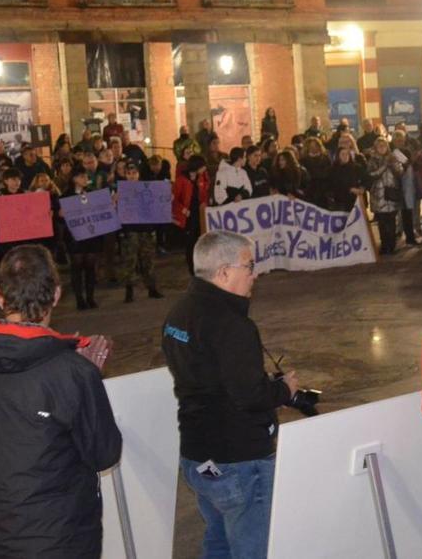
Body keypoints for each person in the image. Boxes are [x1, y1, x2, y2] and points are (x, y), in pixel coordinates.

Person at [0, 245, 120, 558]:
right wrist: (87, 381)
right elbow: (104, 453)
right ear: (56, 294)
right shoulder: (72, 371)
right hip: (61, 534)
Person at [163, 231, 303, 559]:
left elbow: (208, 373)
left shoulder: (177, 314)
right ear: (224, 272)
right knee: (253, 547)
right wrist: (283, 389)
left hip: (197, 454)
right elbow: (249, 396)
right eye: (249, 265)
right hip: (238, 460)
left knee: (218, 540)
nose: (255, 274)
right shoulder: (232, 325)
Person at [116, 162, 164, 302]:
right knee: (130, 261)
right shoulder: (120, 190)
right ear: (125, 175)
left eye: (134, 173)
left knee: (148, 260)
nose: (132, 176)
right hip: (130, 231)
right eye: (129, 173)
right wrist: (115, 201)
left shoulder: (147, 188)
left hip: (146, 229)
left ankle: (152, 288)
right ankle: (129, 290)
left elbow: (158, 203)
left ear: (138, 174)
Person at [60, 166, 104, 310]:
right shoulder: (66, 195)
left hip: (91, 235)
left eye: (86, 177)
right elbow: (59, 215)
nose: (86, 179)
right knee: (77, 266)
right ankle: (80, 298)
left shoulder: (92, 193)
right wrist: (60, 213)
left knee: (90, 266)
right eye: (82, 177)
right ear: (75, 179)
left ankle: (90, 297)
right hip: (75, 236)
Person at [173, 155, 211, 275]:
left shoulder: (201, 177)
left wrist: (205, 202)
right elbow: (174, 199)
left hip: (198, 213)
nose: (204, 169)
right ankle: (192, 268)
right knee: (190, 243)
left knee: (201, 240)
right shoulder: (181, 180)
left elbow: (205, 191)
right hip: (188, 216)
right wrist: (183, 210)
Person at [366, 137, 404, 255]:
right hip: (378, 196)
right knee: (382, 223)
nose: (382, 148)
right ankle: (384, 245)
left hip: (391, 194)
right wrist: (384, 166)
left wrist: (393, 164)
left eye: (384, 145)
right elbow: (371, 175)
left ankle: (392, 245)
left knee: (392, 222)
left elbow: (400, 173)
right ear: (376, 148)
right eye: (379, 146)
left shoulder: (393, 157)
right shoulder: (372, 160)